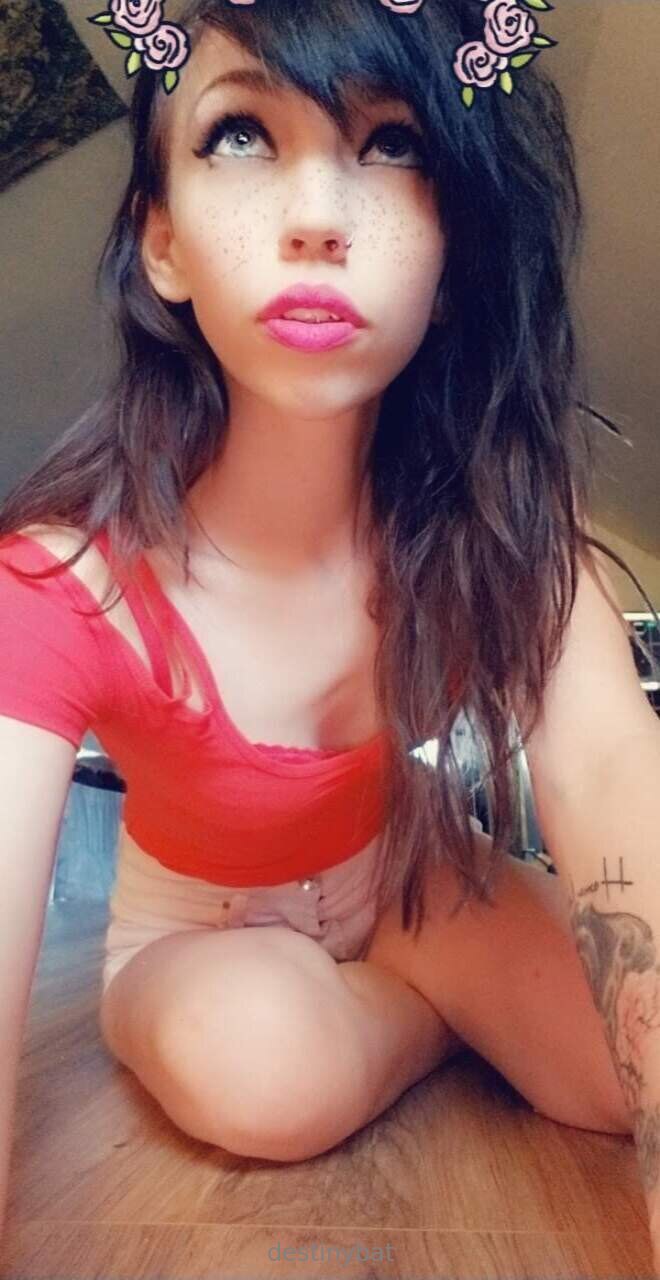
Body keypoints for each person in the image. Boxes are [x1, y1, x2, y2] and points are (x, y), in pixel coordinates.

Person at [1, 0, 659, 1237]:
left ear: (452, 250)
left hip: (412, 876)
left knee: (608, 1069)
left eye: (393, 142)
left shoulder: (503, 525)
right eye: (241, 134)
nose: (317, 215)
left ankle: (418, 985)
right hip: (193, 927)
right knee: (267, 1069)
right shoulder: (63, 579)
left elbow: (613, 766)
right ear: (161, 241)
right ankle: (424, 1016)